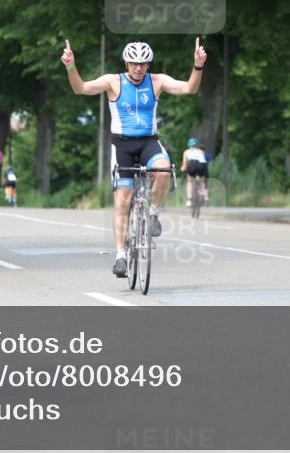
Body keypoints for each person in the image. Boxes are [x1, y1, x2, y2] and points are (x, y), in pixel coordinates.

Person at [62, 37, 207, 278]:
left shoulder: (157, 81)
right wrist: (70, 66)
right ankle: (120, 256)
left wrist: (198, 65)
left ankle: (153, 215)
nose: (138, 68)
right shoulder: (113, 81)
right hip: (122, 145)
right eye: (134, 63)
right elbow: (81, 89)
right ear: (126, 63)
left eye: (143, 63)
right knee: (123, 200)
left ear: (148, 64)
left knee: (163, 170)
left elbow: (190, 88)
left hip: (149, 141)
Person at [181, 138, 208, 207]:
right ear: (197, 145)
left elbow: (184, 166)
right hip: (202, 165)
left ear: (189, 145)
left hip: (192, 164)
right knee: (202, 182)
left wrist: (183, 168)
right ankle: (204, 196)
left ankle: (189, 200)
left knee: (189, 181)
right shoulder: (201, 151)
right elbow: (203, 160)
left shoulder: (186, 152)